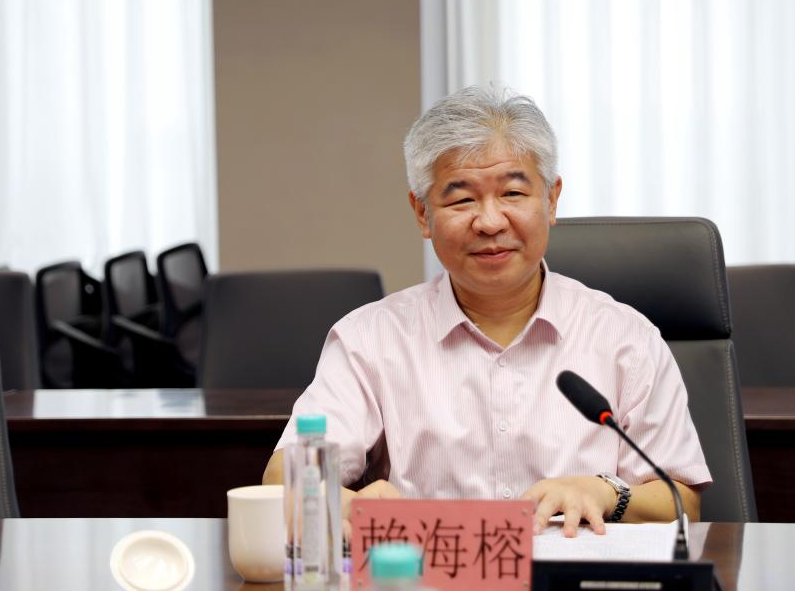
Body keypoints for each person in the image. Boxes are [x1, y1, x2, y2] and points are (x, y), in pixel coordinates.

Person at [264, 86, 711, 537]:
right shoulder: (369, 339)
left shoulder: (625, 337)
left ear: (552, 200)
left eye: (513, 193)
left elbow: (682, 500)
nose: (491, 221)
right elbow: (286, 475)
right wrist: (344, 503)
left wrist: (605, 492)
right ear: (422, 213)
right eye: (462, 200)